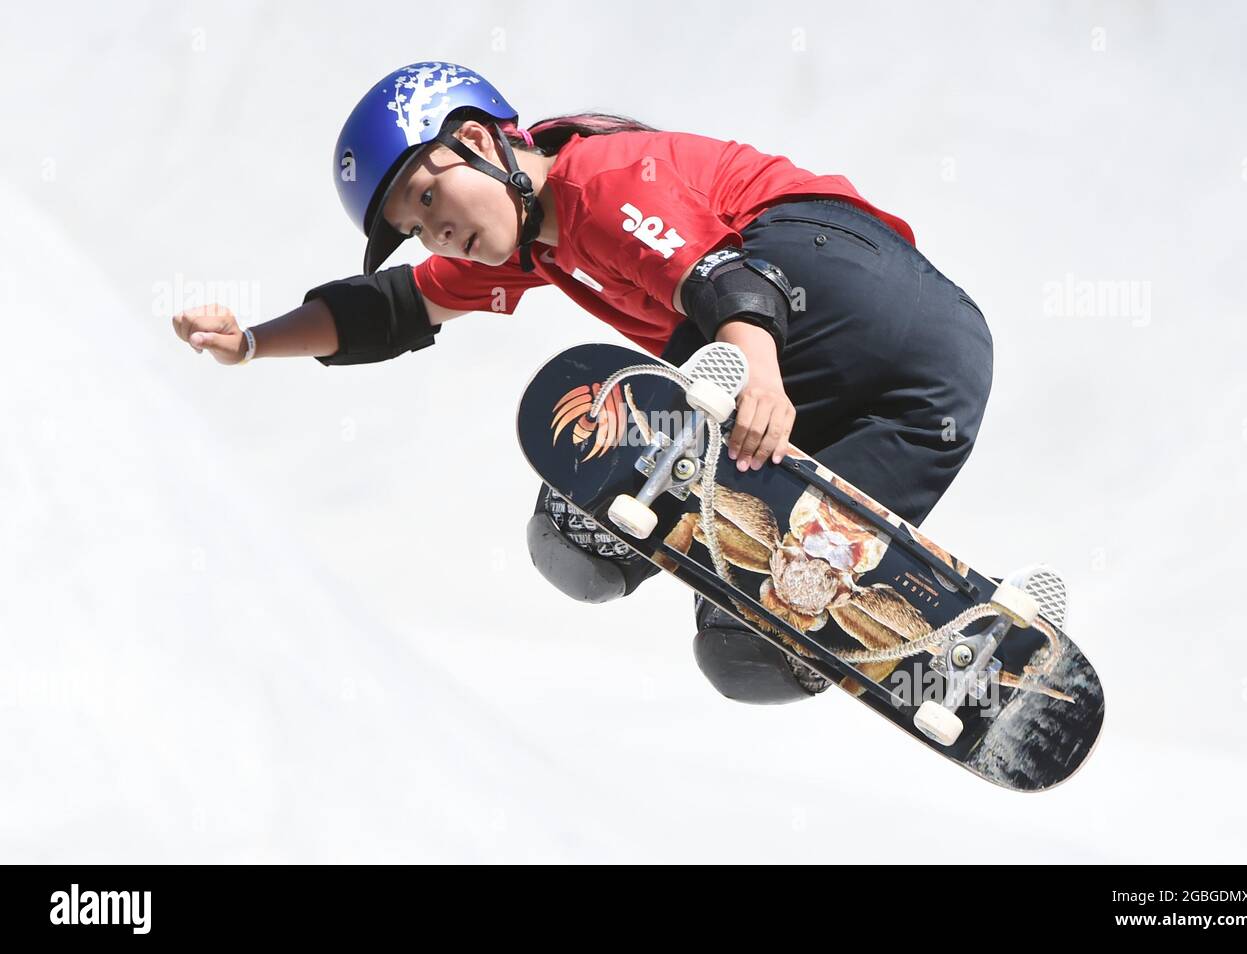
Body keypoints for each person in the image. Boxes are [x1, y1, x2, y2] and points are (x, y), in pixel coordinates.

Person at [172, 61, 994, 705]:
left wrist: (753, 367)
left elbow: (724, 278)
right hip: (941, 376)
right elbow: (393, 309)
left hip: (833, 283)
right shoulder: (538, 248)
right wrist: (252, 342)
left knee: (580, 523)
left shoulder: (597, 179)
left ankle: (699, 422)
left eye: (429, 194)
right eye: (416, 226)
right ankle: (964, 647)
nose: (437, 230)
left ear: (482, 140)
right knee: (745, 642)